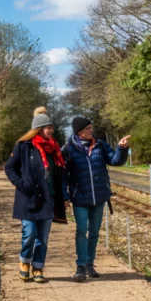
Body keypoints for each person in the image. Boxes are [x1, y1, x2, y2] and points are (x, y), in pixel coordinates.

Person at [4, 107, 67, 283]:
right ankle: (24, 262)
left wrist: (63, 196)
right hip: (28, 198)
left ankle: (38, 268)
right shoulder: (23, 146)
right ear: (39, 129)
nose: (51, 131)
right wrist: (21, 184)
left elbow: (59, 174)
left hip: (48, 199)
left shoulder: (53, 149)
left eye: (52, 128)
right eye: (48, 128)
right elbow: (10, 168)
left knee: (43, 238)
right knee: (29, 233)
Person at [63, 117, 130, 282]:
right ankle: (80, 266)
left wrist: (121, 149)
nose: (91, 131)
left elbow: (115, 160)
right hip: (80, 197)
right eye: (88, 128)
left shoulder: (100, 145)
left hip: (99, 197)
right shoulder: (68, 149)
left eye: (91, 128)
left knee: (94, 232)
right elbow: (62, 175)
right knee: (81, 231)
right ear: (79, 132)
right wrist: (65, 196)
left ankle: (89, 264)